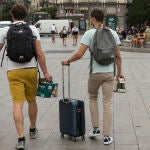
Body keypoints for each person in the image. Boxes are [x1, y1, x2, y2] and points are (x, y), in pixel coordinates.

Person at [61, 9, 124, 145]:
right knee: (108, 103)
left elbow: (79, 54)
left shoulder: (89, 33)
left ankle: (96, 129)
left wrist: (68, 61)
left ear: (93, 19)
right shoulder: (113, 33)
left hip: (95, 73)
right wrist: (120, 72)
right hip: (109, 73)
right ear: (103, 19)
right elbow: (118, 56)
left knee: (93, 98)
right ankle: (107, 136)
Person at [0, 3, 52, 150]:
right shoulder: (33, 29)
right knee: (31, 100)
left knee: (17, 103)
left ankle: (21, 138)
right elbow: (40, 54)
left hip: (14, 71)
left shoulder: (5, 31)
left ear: (12, 15)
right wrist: (46, 72)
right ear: (25, 15)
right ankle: (33, 129)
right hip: (30, 70)